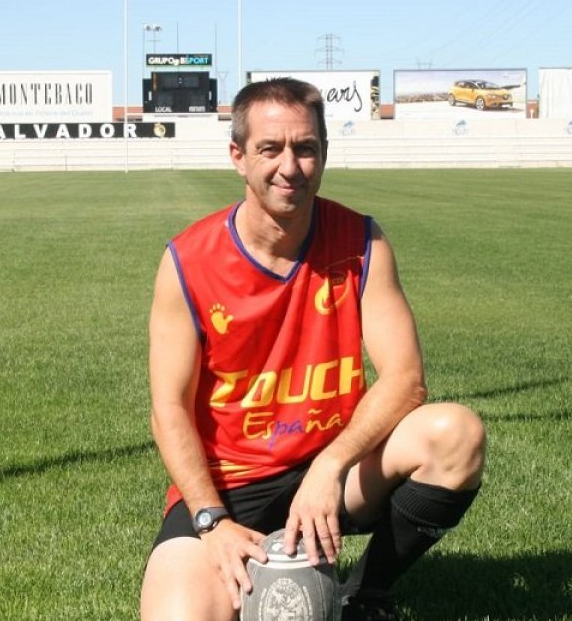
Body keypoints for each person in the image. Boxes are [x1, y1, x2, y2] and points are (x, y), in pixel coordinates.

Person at [140, 77, 485, 621]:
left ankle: (362, 595)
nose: (290, 166)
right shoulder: (187, 260)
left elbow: (406, 380)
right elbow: (169, 410)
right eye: (270, 149)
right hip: (231, 486)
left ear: (323, 152)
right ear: (238, 156)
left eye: (305, 148)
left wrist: (330, 465)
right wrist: (210, 519)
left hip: (335, 469)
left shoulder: (362, 242)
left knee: (455, 434)